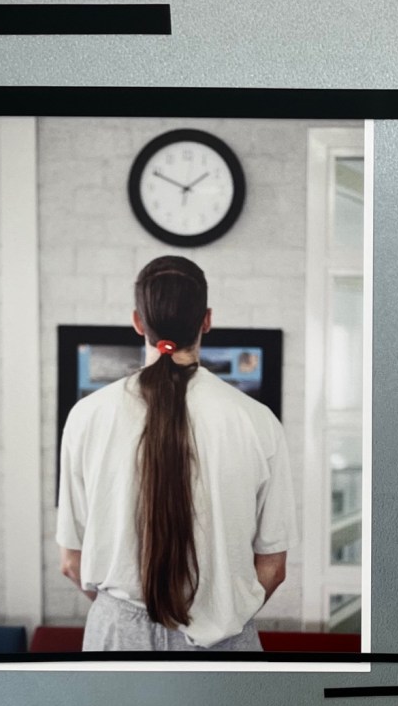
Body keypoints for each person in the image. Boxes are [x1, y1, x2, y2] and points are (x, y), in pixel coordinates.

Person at [56, 256, 295, 652]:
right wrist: (224, 611)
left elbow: (71, 561)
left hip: (117, 638)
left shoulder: (87, 416)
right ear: (206, 320)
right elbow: (272, 567)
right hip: (222, 641)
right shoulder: (257, 421)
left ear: (138, 321)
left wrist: (127, 619)